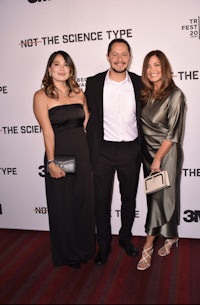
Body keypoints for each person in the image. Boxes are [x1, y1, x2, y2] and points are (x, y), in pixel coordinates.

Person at [33, 50, 95, 269]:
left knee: (83, 203)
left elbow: (86, 119)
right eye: (56, 64)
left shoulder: (78, 91)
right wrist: (51, 162)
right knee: (64, 206)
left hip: (81, 153)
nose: (61, 68)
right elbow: (47, 132)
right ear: (49, 69)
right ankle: (69, 254)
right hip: (60, 156)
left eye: (65, 65)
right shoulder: (41, 96)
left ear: (71, 69)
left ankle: (85, 249)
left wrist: (86, 149)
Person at [85, 38, 143, 265]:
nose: (120, 58)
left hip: (131, 150)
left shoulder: (139, 83)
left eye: (124, 54)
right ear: (108, 56)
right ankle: (104, 245)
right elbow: (86, 117)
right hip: (103, 152)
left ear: (130, 57)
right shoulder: (93, 83)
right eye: (115, 54)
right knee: (101, 201)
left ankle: (125, 239)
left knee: (128, 200)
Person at [137, 50, 186, 271]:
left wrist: (157, 159)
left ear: (164, 68)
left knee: (158, 199)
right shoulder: (145, 93)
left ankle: (147, 246)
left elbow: (173, 134)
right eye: (148, 66)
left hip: (166, 155)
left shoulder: (175, 95)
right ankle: (171, 236)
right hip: (148, 154)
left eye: (156, 65)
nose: (152, 70)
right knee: (159, 198)